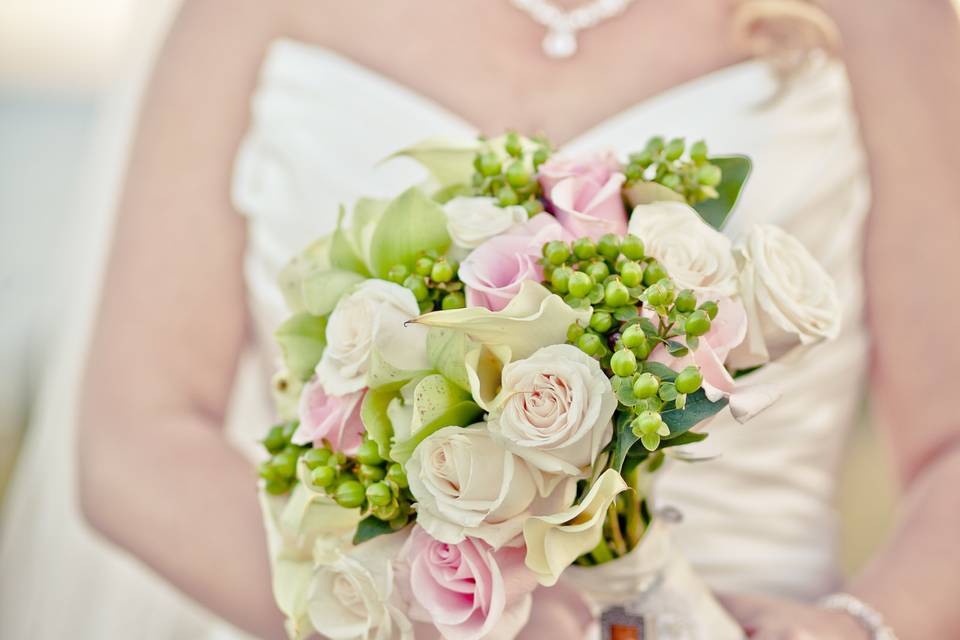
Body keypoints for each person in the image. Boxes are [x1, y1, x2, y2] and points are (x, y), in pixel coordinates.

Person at [2, 1, 959, 638]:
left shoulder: (888, 19)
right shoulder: (244, 13)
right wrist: (431, 619)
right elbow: (136, 438)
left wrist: (856, 625)